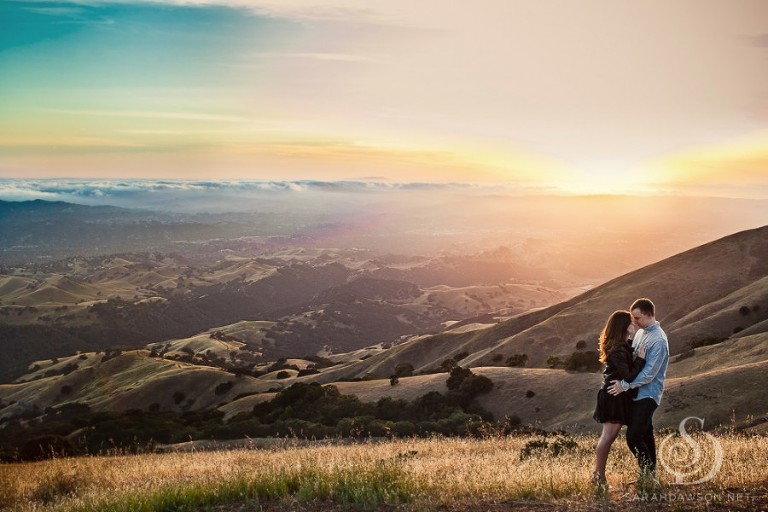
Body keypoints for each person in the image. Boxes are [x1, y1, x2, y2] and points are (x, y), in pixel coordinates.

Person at [608, 298, 669, 489]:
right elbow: (635, 361)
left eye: (637, 318)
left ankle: (647, 475)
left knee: (633, 437)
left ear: (649, 314)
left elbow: (650, 374)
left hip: (648, 394)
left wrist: (624, 385)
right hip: (637, 393)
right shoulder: (642, 332)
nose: (634, 322)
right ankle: (650, 478)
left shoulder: (658, 340)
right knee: (646, 434)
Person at [592, 310, 647, 489]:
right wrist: (640, 359)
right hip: (613, 396)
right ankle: (598, 476)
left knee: (609, 437)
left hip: (616, 395)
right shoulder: (618, 349)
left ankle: (598, 476)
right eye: (631, 322)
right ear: (624, 326)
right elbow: (629, 376)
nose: (634, 324)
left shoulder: (621, 346)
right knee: (608, 437)